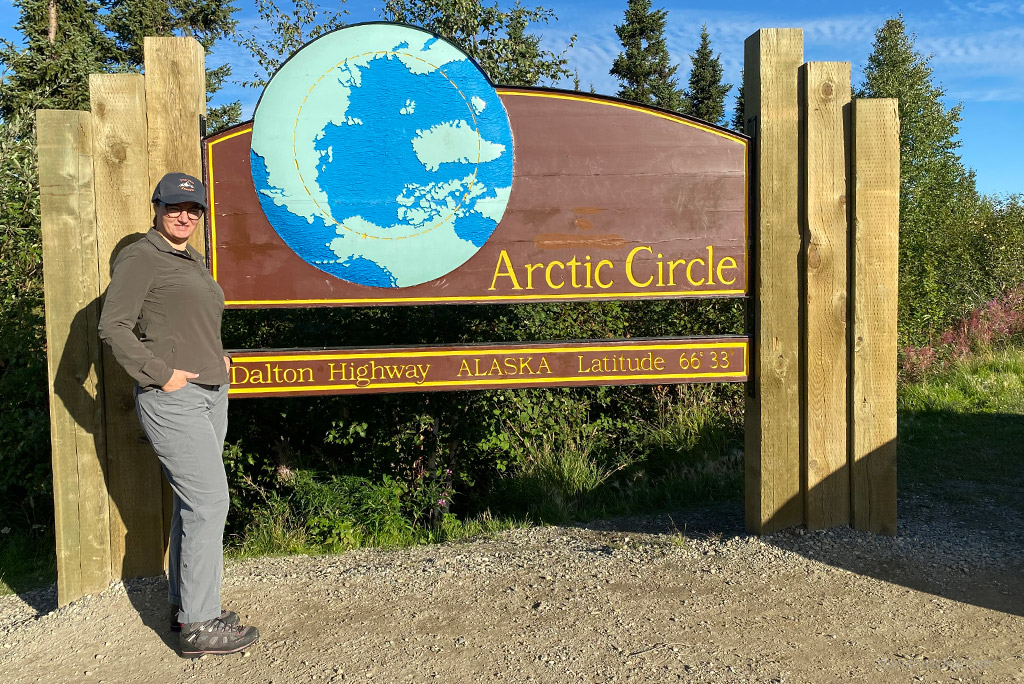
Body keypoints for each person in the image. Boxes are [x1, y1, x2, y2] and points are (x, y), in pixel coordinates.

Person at [98, 172, 260, 657]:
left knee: (194, 504)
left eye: (193, 209)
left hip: (210, 392)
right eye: (175, 208)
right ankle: (199, 624)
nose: (185, 215)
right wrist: (159, 373)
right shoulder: (141, 257)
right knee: (210, 503)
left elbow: (186, 321)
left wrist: (218, 357)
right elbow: (114, 326)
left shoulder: (190, 259)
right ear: (157, 208)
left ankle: (185, 604)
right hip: (174, 399)